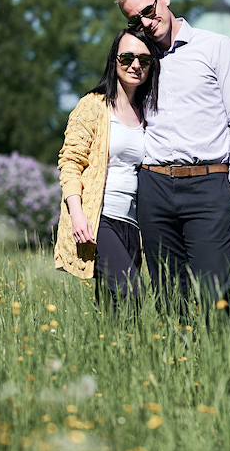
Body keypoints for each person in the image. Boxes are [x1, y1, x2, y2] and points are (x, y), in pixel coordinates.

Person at [114, 0, 230, 319]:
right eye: (135, 20)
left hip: (209, 185)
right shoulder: (141, 60)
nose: (146, 23)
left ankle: (223, 367)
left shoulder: (216, 47)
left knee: (214, 296)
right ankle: (176, 366)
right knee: (167, 298)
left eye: (148, 11)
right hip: (155, 187)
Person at [54, 28, 160, 310]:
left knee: (119, 311)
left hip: (133, 223)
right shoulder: (93, 106)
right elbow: (70, 162)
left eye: (144, 60)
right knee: (132, 293)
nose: (135, 65)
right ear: (114, 60)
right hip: (99, 218)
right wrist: (77, 215)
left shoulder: (150, 112)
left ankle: (110, 354)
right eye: (127, 58)